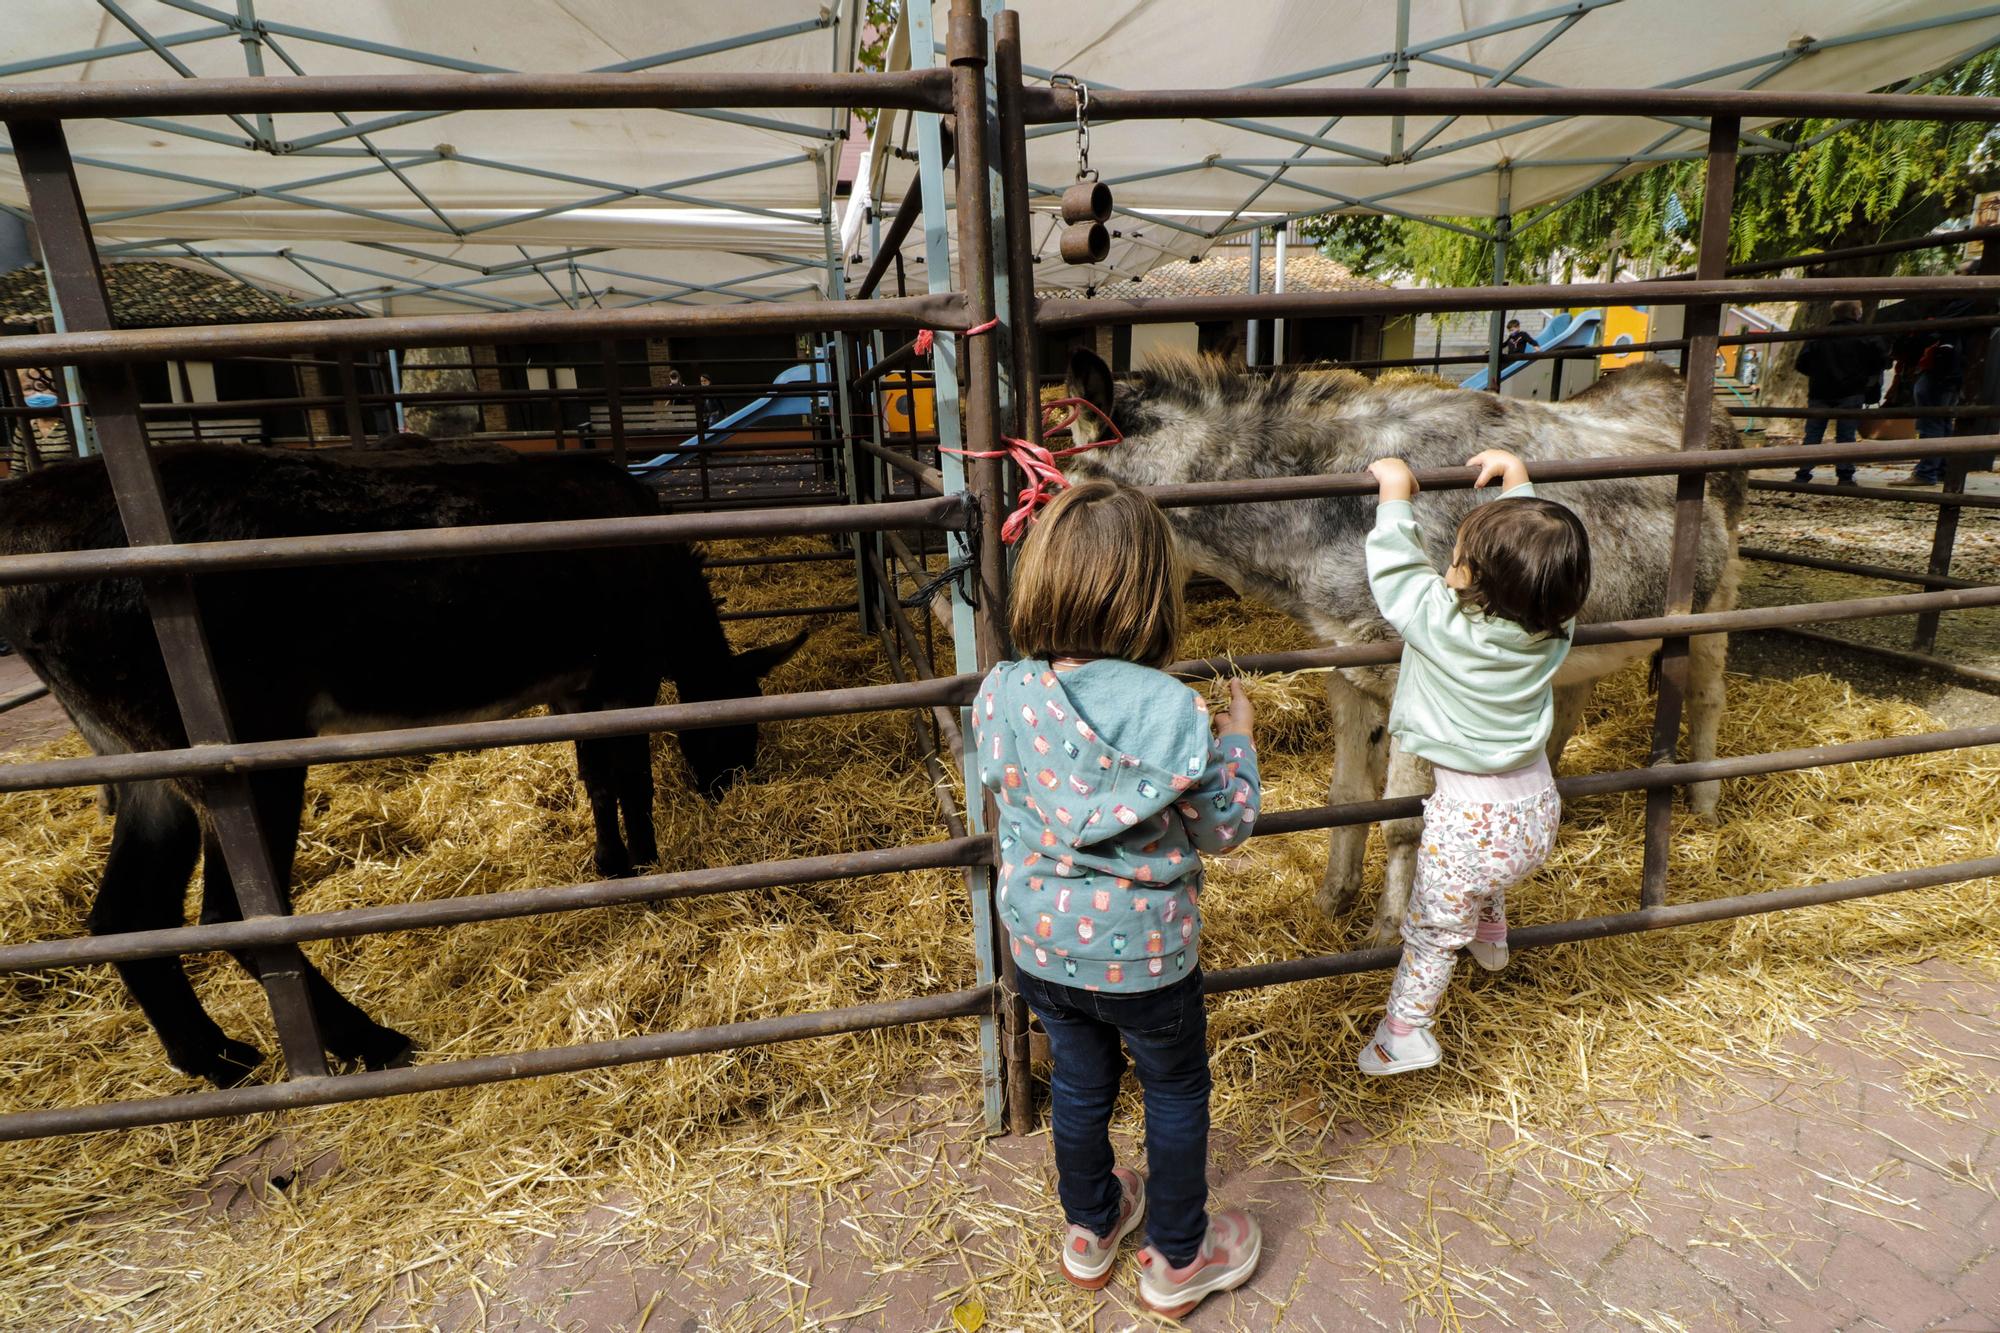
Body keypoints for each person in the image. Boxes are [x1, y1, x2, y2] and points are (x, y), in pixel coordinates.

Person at [969, 480, 1263, 1318]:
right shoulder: (1174, 708)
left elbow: (1009, 783)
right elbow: (1223, 826)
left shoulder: (1001, 691)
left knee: (1080, 1084)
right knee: (1173, 1092)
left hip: (1043, 947)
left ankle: (1092, 1227)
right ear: (1151, 596)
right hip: (1147, 954)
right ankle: (1179, 1255)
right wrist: (1236, 741)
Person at [1355, 448, 1591, 1075]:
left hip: (1470, 818)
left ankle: (1404, 1034)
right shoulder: (1555, 626)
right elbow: (1535, 558)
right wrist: (1518, 483)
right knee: (1489, 874)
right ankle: (1491, 933)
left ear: (1467, 579)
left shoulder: (1440, 622)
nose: (1449, 563)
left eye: (1458, 556)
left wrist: (1396, 494)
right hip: (1536, 810)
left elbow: (1398, 574)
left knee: (1432, 934)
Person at [1792, 301, 1888, 486]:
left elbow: (1801, 363)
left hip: (1820, 391)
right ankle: (1845, 475)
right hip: (1852, 391)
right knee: (1846, 435)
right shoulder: (1866, 335)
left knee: (1812, 434)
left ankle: (1802, 473)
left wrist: (1820, 374)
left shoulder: (1819, 335)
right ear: (1855, 312)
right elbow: (1881, 361)